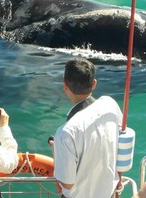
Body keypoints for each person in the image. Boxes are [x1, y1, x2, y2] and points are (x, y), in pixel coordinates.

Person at [52, 58, 123, 198]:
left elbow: (67, 184)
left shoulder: (65, 133)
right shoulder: (110, 105)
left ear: (65, 85)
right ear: (94, 84)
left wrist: (56, 151)